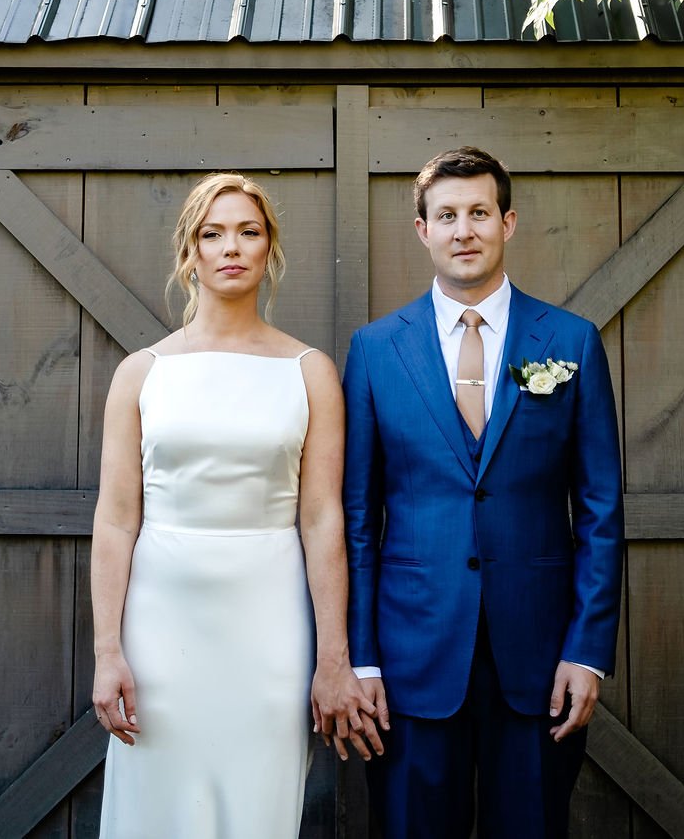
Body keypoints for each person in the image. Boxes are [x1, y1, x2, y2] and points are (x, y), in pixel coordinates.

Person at [343, 146, 624, 838]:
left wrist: (587, 651)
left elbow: (600, 510)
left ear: (508, 222)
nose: (463, 229)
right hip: (411, 659)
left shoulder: (570, 341)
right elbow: (355, 517)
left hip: (538, 658)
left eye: (478, 212)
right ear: (422, 230)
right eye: (446, 215)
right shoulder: (376, 350)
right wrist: (363, 657)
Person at [90, 172, 375, 838]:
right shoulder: (141, 372)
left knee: (258, 805)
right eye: (212, 233)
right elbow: (116, 518)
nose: (231, 246)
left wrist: (333, 654)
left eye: (249, 231)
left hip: (270, 625)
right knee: (154, 805)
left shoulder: (309, 370)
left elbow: (322, 519)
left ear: (269, 246)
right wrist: (108, 650)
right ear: (189, 251)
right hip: (161, 626)